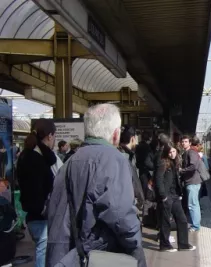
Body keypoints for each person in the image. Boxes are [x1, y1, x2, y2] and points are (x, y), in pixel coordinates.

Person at [45, 104, 146, 267]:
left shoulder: (68, 163)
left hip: (67, 257)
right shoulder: (115, 160)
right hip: (103, 256)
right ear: (115, 134)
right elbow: (121, 216)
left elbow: (54, 212)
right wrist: (136, 248)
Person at [17, 119, 63, 267]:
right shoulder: (38, 160)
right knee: (43, 255)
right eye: (54, 136)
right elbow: (39, 188)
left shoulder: (25, 155)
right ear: (50, 136)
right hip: (42, 216)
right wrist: (45, 209)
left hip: (32, 217)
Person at [155, 145, 196, 252]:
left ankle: (183, 244)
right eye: (170, 152)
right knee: (166, 221)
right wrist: (163, 196)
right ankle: (164, 245)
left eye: (174, 151)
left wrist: (180, 193)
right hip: (167, 196)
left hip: (175, 196)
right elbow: (158, 180)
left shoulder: (175, 163)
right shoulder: (163, 163)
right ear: (166, 153)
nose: (172, 154)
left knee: (182, 219)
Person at [179, 135, 203, 232]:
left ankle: (195, 226)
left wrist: (182, 170)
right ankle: (195, 224)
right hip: (191, 181)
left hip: (192, 182)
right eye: (182, 141)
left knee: (192, 204)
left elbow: (193, 166)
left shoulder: (191, 152)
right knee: (194, 204)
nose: (183, 143)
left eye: (185, 141)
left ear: (189, 143)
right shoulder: (187, 152)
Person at [118, 125, 145, 210]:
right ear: (133, 138)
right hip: (126, 203)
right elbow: (133, 180)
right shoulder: (125, 157)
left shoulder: (120, 153)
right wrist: (140, 199)